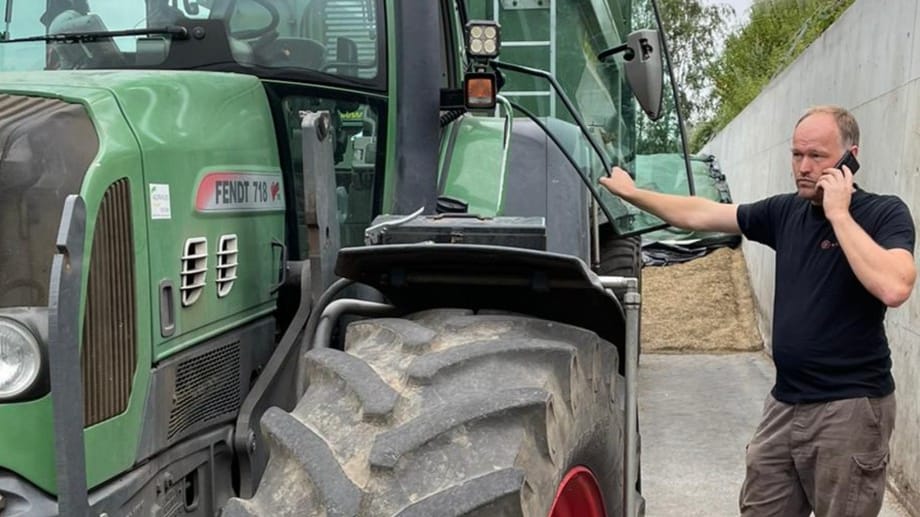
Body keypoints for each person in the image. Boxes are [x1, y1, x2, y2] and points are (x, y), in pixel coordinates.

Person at [600, 105, 916, 516]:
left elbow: (894, 286)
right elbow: (703, 213)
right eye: (796, 154)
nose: (803, 166)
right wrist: (633, 194)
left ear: (850, 156)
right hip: (786, 402)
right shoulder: (785, 212)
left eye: (817, 156)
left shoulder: (883, 213)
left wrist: (839, 214)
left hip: (850, 408)